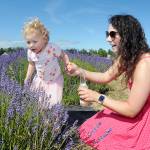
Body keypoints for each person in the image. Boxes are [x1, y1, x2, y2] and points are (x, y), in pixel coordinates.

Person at [66, 14, 150, 149]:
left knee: (106, 134)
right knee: (93, 126)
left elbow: (131, 110)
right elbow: (105, 76)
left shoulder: (145, 64)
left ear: (127, 35)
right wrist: (78, 70)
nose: (107, 39)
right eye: (107, 33)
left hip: (144, 118)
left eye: (112, 34)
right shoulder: (128, 57)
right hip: (137, 111)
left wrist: (97, 97)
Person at [23, 18, 69, 107]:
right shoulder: (30, 52)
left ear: (44, 39)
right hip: (41, 80)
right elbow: (31, 64)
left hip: (55, 80)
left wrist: (67, 63)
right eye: (28, 42)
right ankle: (42, 119)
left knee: (54, 103)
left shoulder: (51, 48)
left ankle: (54, 120)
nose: (31, 45)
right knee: (39, 103)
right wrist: (27, 77)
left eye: (34, 42)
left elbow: (63, 55)